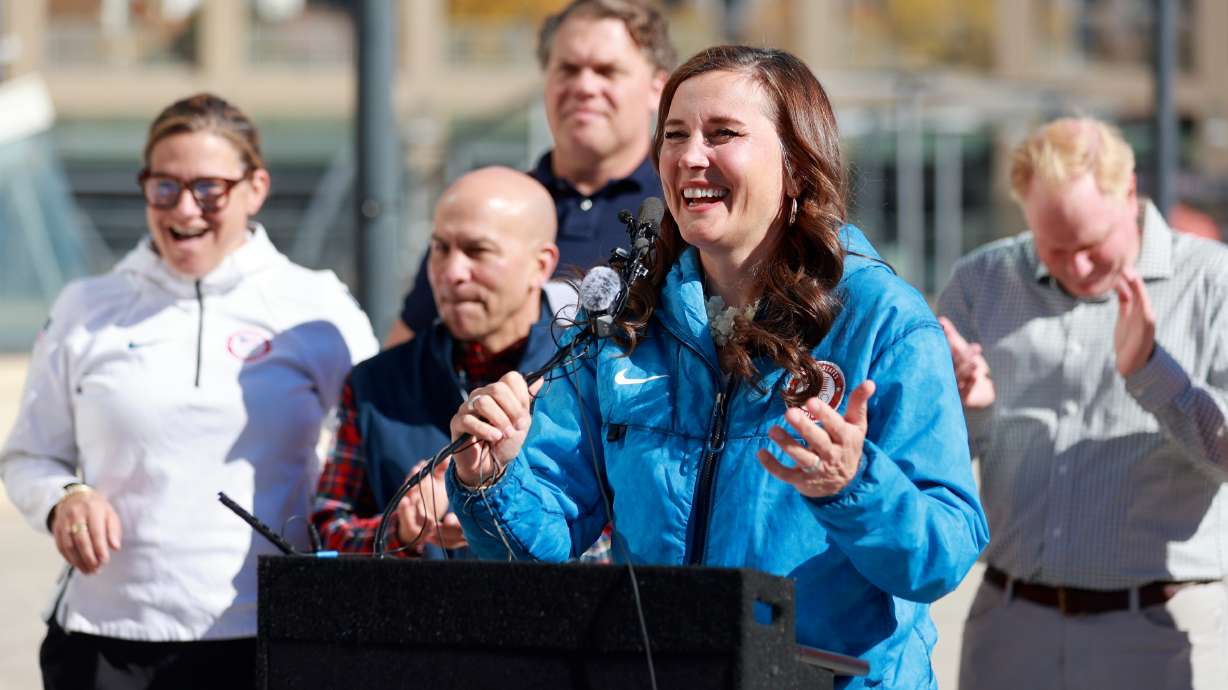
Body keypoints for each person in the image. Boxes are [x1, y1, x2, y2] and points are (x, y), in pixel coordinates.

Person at [443, 46, 988, 689]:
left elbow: (943, 553)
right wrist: (492, 478)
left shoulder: (883, 320)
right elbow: (542, 545)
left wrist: (854, 486)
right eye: (674, 135)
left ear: (796, 162)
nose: (689, 157)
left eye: (722, 134)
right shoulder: (627, 318)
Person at [0, 93, 378, 689]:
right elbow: (30, 455)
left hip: (270, 635)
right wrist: (64, 497)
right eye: (164, 186)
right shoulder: (87, 307)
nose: (184, 208)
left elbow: (378, 445)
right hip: (106, 641)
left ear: (255, 188)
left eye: (209, 189)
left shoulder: (316, 305)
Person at [938, 117, 1228, 690]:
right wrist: (964, 408)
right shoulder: (982, 281)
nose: (1076, 267)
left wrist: (1151, 372)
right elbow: (933, 457)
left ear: (1130, 192)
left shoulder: (1213, 284)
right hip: (1010, 624)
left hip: (1159, 632)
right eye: (1055, 247)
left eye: (1092, 245)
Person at [311, 166, 573, 557]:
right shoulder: (375, 385)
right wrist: (398, 529)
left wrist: (505, 506)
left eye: (478, 251)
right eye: (440, 248)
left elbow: (621, 540)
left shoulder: (585, 378)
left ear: (541, 265)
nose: (452, 273)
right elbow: (324, 533)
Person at [386, 0, 675, 347]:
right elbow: (400, 360)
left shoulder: (681, 210)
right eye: (568, 69)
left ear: (658, 88)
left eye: (606, 71)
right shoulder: (492, 210)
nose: (584, 87)